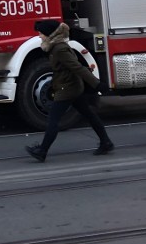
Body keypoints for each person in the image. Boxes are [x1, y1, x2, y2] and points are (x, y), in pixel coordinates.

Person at [25, 20, 114, 162]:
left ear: (49, 34)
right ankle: (106, 142)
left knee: (53, 120)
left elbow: (77, 67)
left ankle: (42, 151)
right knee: (89, 114)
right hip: (70, 86)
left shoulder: (60, 49)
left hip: (67, 89)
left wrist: (97, 84)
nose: (39, 36)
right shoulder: (54, 47)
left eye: (41, 33)